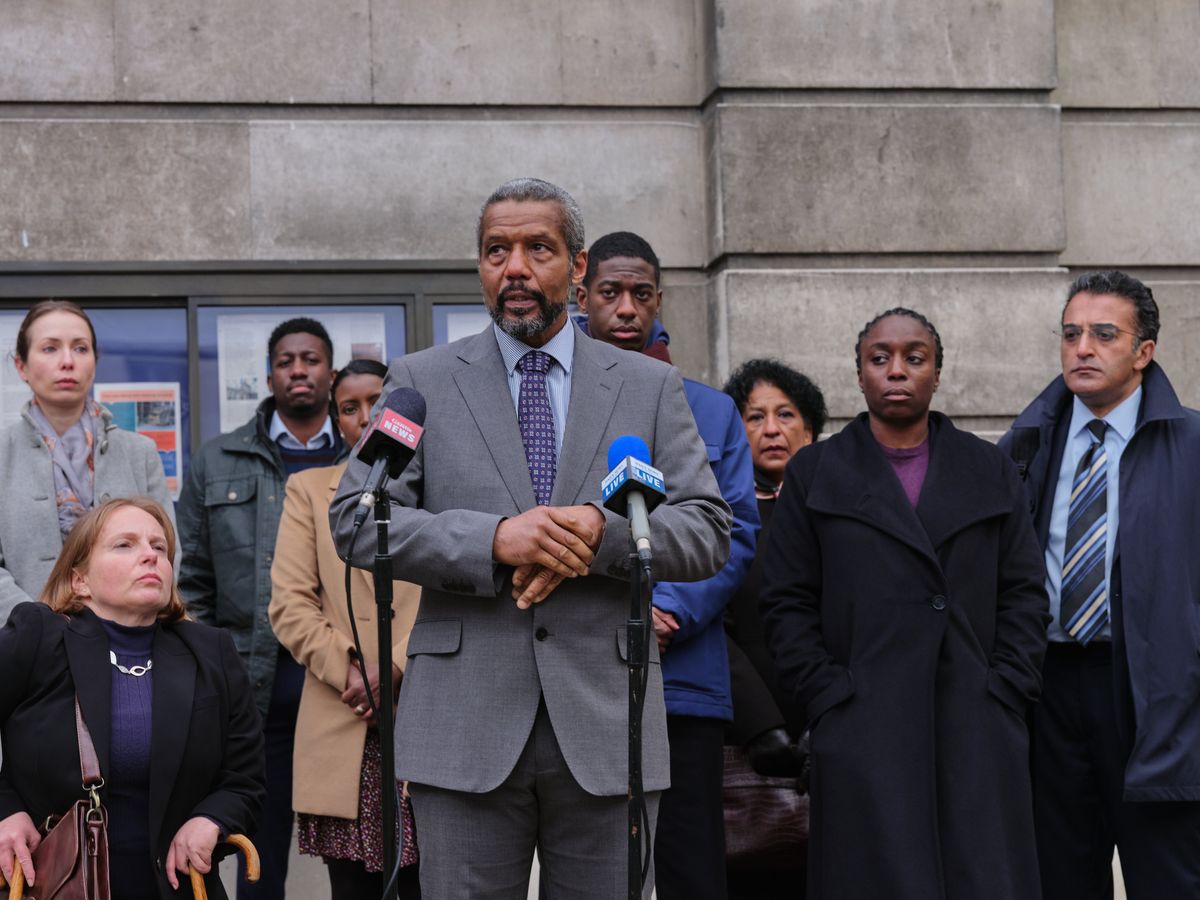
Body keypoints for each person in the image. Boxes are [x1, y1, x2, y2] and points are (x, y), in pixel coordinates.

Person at [330, 177, 732, 899]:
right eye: (495, 251)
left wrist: (601, 535)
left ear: (577, 268)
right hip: (464, 721)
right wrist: (495, 542)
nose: (514, 268)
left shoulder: (646, 386)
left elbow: (705, 529)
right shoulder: (421, 382)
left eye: (537, 248)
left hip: (609, 721)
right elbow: (357, 517)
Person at [760, 308, 1049, 900]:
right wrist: (829, 699)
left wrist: (1006, 691)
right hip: (865, 730)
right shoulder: (816, 472)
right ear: (859, 373)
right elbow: (786, 603)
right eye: (880, 358)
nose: (897, 371)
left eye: (914, 358)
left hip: (976, 728)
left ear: (937, 373)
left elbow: (1024, 593)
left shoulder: (989, 467)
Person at [998, 271, 1200, 899]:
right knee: (1056, 877)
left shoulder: (1192, 444)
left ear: (1144, 352)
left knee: (1167, 877)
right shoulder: (1024, 445)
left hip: (1155, 692)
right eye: (1070, 334)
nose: (1082, 348)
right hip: (1048, 688)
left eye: (1103, 334)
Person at [576, 230, 758, 900]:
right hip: (576, 675)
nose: (627, 308)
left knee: (688, 870)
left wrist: (670, 612)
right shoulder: (547, 404)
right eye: (610, 292)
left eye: (641, 294)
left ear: (659, 301)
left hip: (682, 682)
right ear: (582, 295)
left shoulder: (710, 409)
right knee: (593, 872)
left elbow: (733, 531)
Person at [0, 497, 265, 900]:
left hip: (176, 889)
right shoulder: (39, 637)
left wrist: (212, 819)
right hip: (55, 886)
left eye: (159, 548)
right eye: (125, 545)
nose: (149, 556)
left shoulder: (211, 651)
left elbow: (245, 778)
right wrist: (5, 811)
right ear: (79, 580)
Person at [177, 317, 343, 900]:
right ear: (269, 375)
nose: (299, 370)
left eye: (311, 359)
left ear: (331, 371)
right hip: (253, 697)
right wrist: (211, 670)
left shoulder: (369, 462)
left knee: (360, 859)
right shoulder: (217, 460)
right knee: (255, 855)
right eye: (286, 361)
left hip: (348, 694)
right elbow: (191, 580)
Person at [268, 358, 422, 898]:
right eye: (348, 409)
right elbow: (289, 604)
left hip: (426, 712)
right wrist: (356, 671)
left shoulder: (443, 491)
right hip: (345, 712)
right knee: (354, 890)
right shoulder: (309, 490)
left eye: (376, 404)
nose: (362, 419)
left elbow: (460, 593)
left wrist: (399, 665)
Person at [721, 358, 827, 899]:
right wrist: (762, 728)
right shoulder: (718, 519)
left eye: (786, 414)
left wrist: (825, 724)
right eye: (755, 416)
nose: (771, 429)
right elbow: (709, 624)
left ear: (810, 430)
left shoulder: (840, 516)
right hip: (742, 747)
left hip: (831, 739)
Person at [0, 300, 174, 625]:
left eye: (80, 349)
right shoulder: (3, 454)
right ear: (21, 366)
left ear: (95, 361)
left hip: (127, 638)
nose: (67, 362)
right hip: (26, 644)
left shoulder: (140, 452)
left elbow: (167, 552)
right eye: (50, 348)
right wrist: (38, 624)